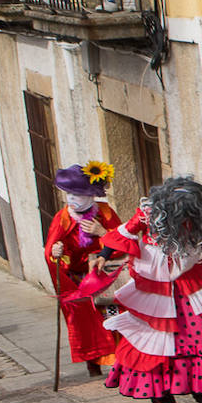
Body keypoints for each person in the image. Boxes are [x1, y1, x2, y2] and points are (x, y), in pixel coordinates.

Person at [99, 176, 202, 403]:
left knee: (198, 331)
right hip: (155, 283)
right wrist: (104, 255)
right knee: (155, 336)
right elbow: (124, 232)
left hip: (190, 280)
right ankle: (161, 393)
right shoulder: (148, 213)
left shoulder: (199, 216)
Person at [44, 161, 119, 376]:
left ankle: (118, 361)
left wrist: (102, 232)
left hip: (104, 276)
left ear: (90, 195)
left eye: (76, 195)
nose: (72, 200)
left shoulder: (104, 213)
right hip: (78, 281)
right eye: (69, 195)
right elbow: (51, 249)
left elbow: (123, 242)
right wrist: (57, 253)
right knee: (83, 321)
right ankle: (93, 362)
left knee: (111, 315)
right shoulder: (63, 218)